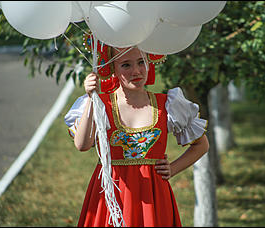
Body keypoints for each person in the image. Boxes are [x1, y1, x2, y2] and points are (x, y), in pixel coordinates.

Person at [64, 44, 209, 227]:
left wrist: (172, 168)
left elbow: (201, 145)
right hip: (111, 195)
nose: (136, 71)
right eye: (126, 65)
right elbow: (82, 145)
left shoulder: (167, 105)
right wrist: (92, 99)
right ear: (112, 68)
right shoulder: (101, 104)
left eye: (141, 62)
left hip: (153, 196)